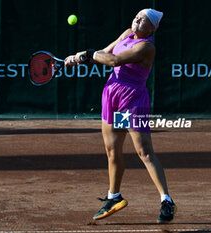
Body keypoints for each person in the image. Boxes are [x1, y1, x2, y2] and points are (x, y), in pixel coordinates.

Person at [65, 8, 176, 224]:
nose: (136, 20)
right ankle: (113, 197)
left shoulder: (147, 47)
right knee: (112, 150)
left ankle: (167, 200)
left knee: (144, 152)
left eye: (142, 19)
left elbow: (114, 60)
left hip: (132, 100)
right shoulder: (127, 33)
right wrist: (78, 58)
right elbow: (104, 53)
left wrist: (88, 53)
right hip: (112, 95)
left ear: (152, 28)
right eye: (136, 16)